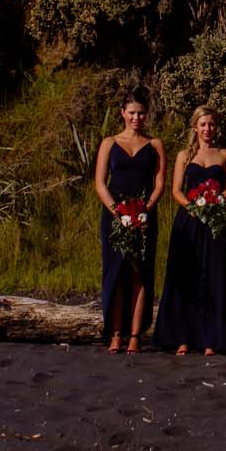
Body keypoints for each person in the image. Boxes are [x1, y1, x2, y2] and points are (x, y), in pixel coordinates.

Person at [154, 106, 226, 355]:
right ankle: (183, 338)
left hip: (214, 222)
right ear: (195, 127)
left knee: (214, 277)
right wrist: (194, 206)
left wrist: (214, 201)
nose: (207, 129)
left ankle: (211, 339)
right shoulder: (184, 155)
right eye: (203, 124)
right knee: (187, 276)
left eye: (211, 124)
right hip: (189, 220)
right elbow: (176, 190)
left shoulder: (225, 154)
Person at [94, 87, 166, 353]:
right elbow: (100, 183)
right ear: (122, 113)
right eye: (132, 113)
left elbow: (160, 183)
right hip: (115, 216)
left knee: (140, 273)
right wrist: (117, 211)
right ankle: (115, 333)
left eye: (141, 113)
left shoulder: (154, 144)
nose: (137, 118)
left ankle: (135, 335)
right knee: (116, 273)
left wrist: (145, 209)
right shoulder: (109, 143)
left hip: (144, 216)